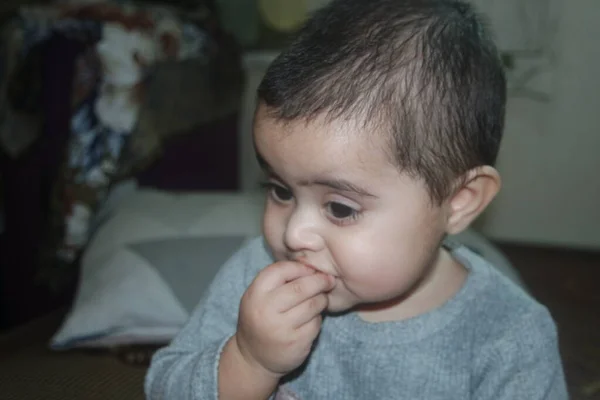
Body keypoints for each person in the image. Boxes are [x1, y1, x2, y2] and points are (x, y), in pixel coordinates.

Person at [145, 0, 567, 398]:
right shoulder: (256, 275)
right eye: (280, 190)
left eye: (341, 208)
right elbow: (163, 386)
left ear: (458, 201)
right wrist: (249, 360)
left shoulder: (510, 336)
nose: (294, 234)